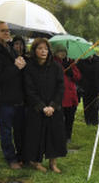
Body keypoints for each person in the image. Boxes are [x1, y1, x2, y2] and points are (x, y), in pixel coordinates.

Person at [0, 22, 26, 168]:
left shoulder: (10, 49)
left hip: (18, 97)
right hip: (3, 99)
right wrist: (15, 67)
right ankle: (10, 158)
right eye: (3, 31)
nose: (7, 33)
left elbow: (17, 68)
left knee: (20, 129)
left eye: (8, 31)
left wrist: (20, 63)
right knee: (6, 130)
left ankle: (21, 155)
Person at [23, 38, 67, 173]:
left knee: (55, 135)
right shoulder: (29, 67)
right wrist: (42, 107)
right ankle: (35, 162)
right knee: (36, 135)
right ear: (34, 50)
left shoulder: (56, 66)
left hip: (54, 108)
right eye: (40, 48)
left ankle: (53, 163)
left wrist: (52, 106)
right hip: (37, 108)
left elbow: (61, 87)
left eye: (46, 49)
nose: (43, 51)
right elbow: (29, 89)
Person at [54, 47, 81, 144]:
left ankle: (68, 136)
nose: (62, 53)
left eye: (64, 51)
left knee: (70, 118)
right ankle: (59, 136)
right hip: (60, 96)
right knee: (59, 119)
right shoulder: (54, 62)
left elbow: (78, 76)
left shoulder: (70, 62)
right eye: (60, 51)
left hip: (71, 96)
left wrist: (71, 72)